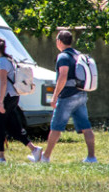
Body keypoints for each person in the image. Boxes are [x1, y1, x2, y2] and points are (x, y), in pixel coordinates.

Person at [40, 30, 97, 164]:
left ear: (59, 41)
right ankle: (91, 157)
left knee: (56, 127)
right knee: (86, 126)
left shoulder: (63, 57)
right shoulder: (77, 55)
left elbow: (63, 76)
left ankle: (45, 157)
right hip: (81, 94)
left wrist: (55, 96)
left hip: (67, 96)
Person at [0, 37, 43, 163]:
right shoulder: (9, 60)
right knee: (13, 127)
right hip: (13, 97)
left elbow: (3, 83)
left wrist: (0, 102)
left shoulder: (2, 62)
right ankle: (34, 150)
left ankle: (0, 156)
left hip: (6, 98)